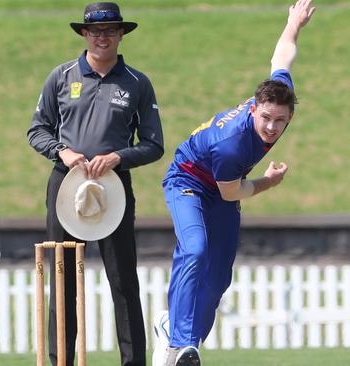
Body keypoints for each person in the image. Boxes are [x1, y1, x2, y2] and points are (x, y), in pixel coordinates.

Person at [153, 1, 316, 365]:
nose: (272, 127)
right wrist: (267, 183)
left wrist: (294, 23)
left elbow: (282, 58)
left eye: (280, 120)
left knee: (217, 280)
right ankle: (176, 340)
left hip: (223, 185)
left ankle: (187, 348)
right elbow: (235, 190)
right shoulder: (232, 146)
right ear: (254, 109)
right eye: (267, 118)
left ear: (290, 115)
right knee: (195, 249)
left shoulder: (276, 96)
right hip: (189, 181)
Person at [27, 2, 164, 365]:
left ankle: (133, 362)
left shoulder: (137, 83)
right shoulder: (61, 76)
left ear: (121, 35)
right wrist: (63, 152)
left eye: (110, 31)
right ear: (84, 34)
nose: (102, 37)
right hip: (66, 186)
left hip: (114, 189)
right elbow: (37, 131)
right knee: (63, 282)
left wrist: (119, 156)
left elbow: (154, 145)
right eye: (95, 31)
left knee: (123, 281)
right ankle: (61, 361)